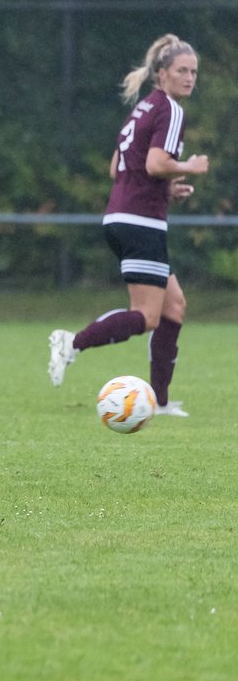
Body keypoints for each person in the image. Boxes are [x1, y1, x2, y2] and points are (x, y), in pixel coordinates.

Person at [48, 34, 212, 416]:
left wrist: (166, 190)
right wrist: (188, 166)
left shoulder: (143, 108)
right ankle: (71, 342)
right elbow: (155, 163)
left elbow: (117, 168)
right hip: (142, 221)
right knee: (148, 316)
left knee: (174, 307)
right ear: (162, 73)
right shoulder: (170, 110)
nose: (190, 78)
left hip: (123, 215)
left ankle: (161, 401)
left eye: (194, 72)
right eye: (182, 71)